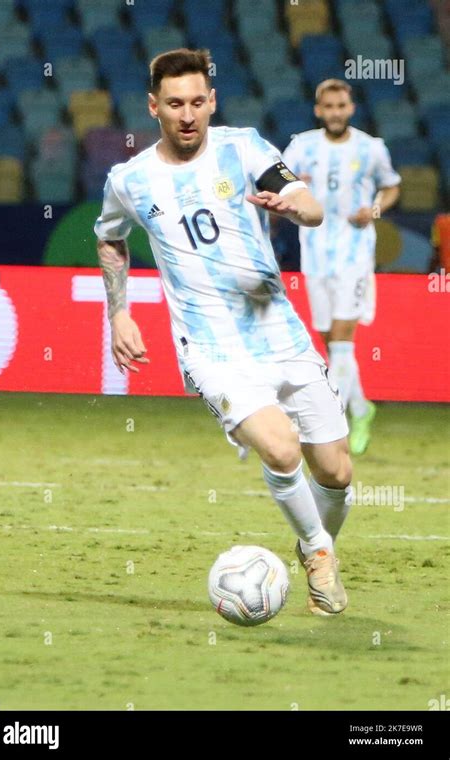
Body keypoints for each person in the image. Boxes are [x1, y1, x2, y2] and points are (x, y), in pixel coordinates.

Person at [94, 49, 353, 616]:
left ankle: (315, 539)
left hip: (279, 330)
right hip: (209, 346)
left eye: (196, 103)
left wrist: (292, 208)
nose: (187, 115)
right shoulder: (131, 180)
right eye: (174, 104)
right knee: (282, 448)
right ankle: (317, 556)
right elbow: (111, 238)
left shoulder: (244, 147)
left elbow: (310, 205)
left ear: (211, 101)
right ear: (153, 106)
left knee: (336, 470)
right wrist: (118, 311)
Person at [283, 79, 401, 456]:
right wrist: (293, 187)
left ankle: (328, 429)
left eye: (341, 105)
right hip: (315, 253)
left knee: (343, 340)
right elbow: (278, 177)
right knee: (330, 341)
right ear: (319, 110)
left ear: (351, 108)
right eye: (328, 106)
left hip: (355, 254)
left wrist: (376, 210)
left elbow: (392, 186)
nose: (335, 112)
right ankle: (362, 409)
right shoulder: (302, 146)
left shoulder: (370, 148)